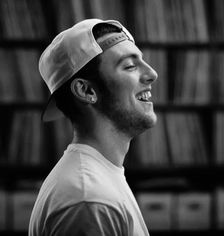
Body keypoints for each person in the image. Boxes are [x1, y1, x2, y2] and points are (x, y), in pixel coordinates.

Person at [29, 18, 158, 236]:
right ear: (87, 91)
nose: (152, 74)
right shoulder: (89, 200)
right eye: (129, 66)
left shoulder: (97, 181)